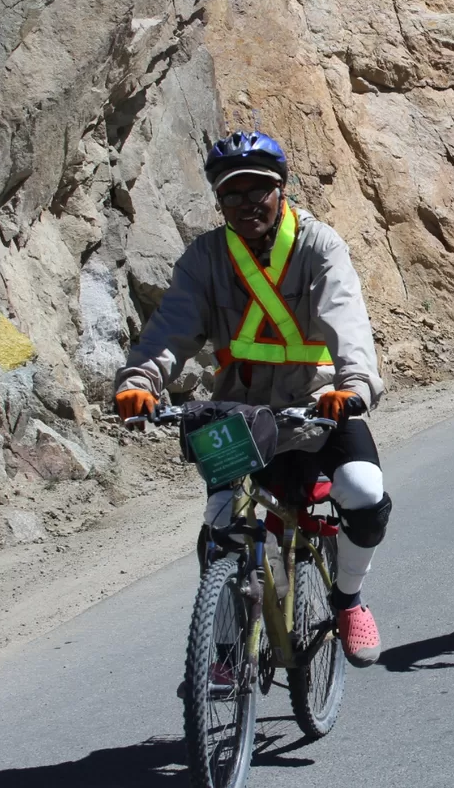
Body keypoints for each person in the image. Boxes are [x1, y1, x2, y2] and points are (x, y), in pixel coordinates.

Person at [113, 130, 389, 667]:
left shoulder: (318, 245)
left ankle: (348, 598)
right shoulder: (205, 258)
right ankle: (224, 646)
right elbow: (172, 328)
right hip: (239, 410)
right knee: (221, 523)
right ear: (218, 201)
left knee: (362, 488)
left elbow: (346, 319)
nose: (246, 204)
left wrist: (353, 386)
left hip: (317, 402)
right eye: (231, 194)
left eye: (257, 190)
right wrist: (140, 381)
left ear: (281, 189)